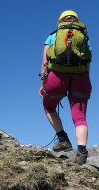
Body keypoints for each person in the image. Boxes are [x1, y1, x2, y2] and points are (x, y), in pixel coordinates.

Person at [39, 10, 92, 164]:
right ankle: (81, 152)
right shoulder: (83, 37)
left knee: (48, 107)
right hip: (81, 77)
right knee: (80, 118)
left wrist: (43, 81)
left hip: (57, 77)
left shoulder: (53, 36)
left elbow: (44, 62)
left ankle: (63, 138)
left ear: (60, 21)